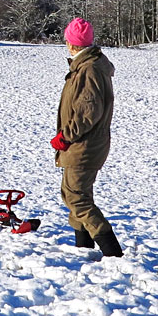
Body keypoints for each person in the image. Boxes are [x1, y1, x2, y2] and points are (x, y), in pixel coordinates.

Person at [51, 17, 124, 257]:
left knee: (77, 197)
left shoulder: (89, 68)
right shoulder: (87, 65)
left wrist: (66, 136)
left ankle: (112, 252)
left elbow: (88, 111)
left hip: (84, 144)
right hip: (86, 143)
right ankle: (83, 248)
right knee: (73, 194)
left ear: (72, 44)